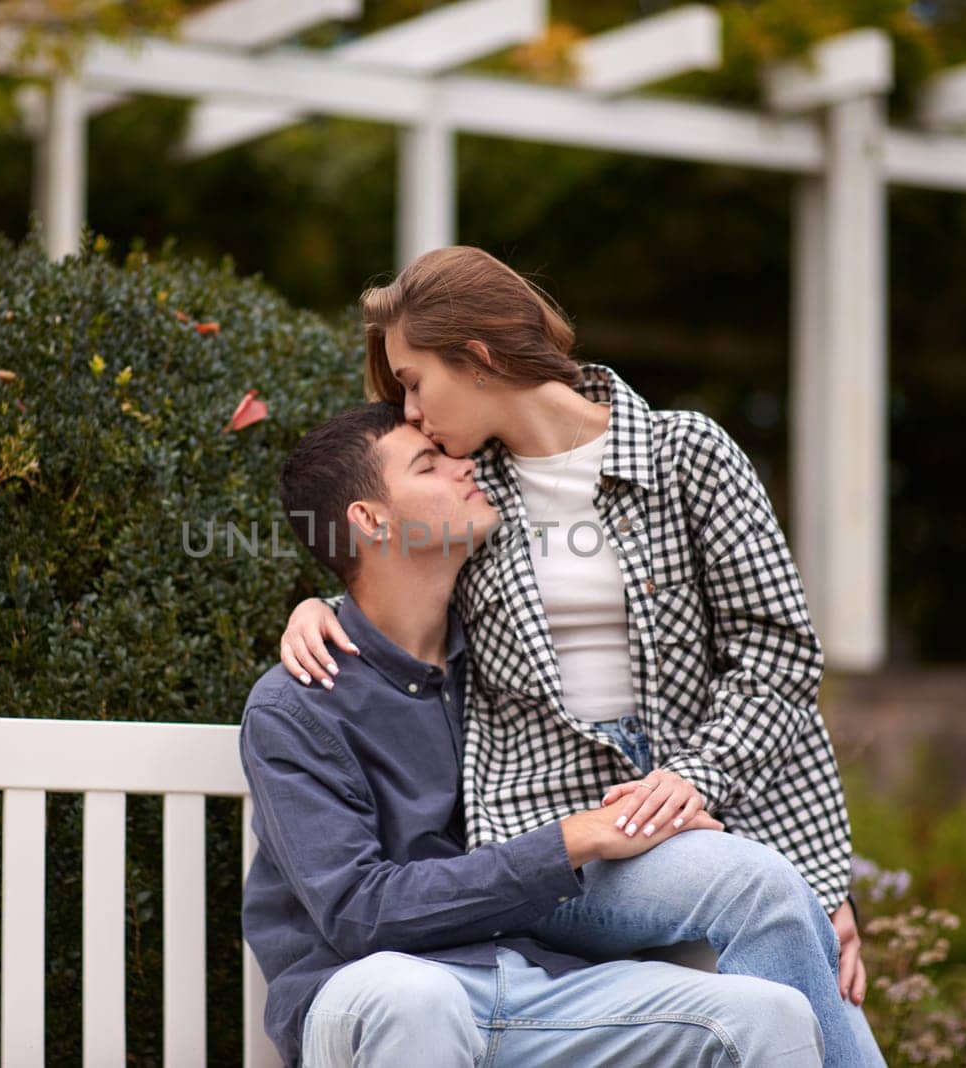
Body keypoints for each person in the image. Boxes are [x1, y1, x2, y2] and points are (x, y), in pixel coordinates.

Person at [279, 247, 885, 1064]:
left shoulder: (687, 457)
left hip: (710, 823)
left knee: (767, 892)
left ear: (481, 357)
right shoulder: (471, 500)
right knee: (755, 886)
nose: (410, 413)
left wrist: (815, 878)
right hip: (555, 845)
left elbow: (777, 658)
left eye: (414, 382)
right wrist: (312, 607)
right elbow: (386, 573)